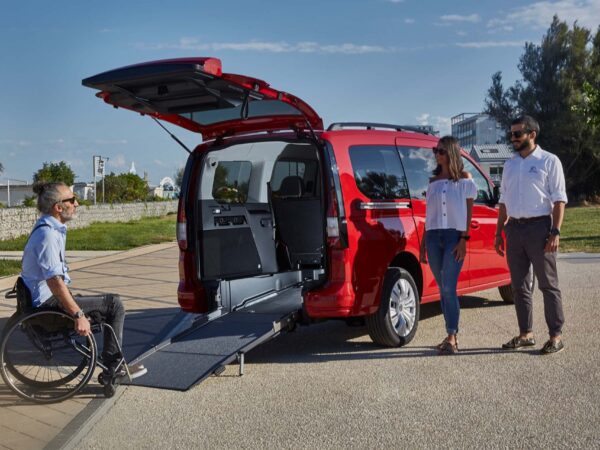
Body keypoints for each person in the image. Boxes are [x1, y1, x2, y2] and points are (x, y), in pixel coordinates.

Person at [20, 182, 146, 378]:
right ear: (58, 207)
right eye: (71, 199)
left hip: (48, 300)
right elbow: (54, 281)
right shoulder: (48, 235)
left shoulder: (49, 228)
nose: (76, 203)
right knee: (115, 304)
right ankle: (114, 366)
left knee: (106, 306)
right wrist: (78, 314)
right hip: (48, 306)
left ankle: (113, 361)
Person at [495, 115, 568, 355]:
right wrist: (499, 232)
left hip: (540, 228)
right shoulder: (510, 164)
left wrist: (555, 231)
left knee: (548, 284)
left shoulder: (549, 161)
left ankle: (555, 336)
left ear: (532, 134)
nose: (512, 138)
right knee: (519, 286)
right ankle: (526, 334)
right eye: (511, 134)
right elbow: (503, 200)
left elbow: (559, 200)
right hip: (514, 229)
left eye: (517, 134)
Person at [419, 136, 477, 355]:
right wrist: (424, 244)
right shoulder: (433, 182)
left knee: (448, 287)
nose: (437, 154)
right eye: (436, 151)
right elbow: (428, 216)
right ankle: (449, 333)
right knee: (442, 287)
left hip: (454, 236)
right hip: (433, 237)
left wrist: (464, 239)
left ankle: (452, 335)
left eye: (441, 151)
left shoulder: (465, 179)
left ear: (451, 152)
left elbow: (469, 212)